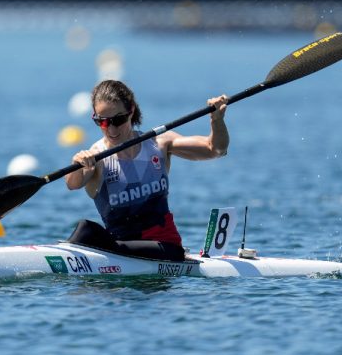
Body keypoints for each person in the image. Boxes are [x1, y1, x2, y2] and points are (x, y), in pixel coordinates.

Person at [64, 79, 229, 261]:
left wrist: (216, 120)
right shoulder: (97, 157)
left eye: (118, 120)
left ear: (131, 111)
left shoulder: (158, 143)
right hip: (120, 253)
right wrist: (77, 163)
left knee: (88, 232)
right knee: (85, 228)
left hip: (167, 249)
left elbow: (215, 149)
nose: (111, 129)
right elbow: (73, 183)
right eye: (102, 122)